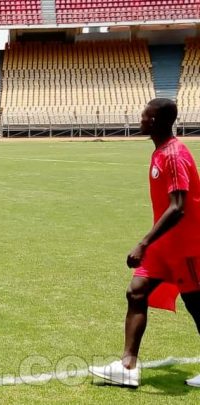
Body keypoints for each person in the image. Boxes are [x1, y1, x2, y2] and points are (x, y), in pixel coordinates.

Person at [89, 98, 200, 388]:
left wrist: (143, 243)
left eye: (145, 116)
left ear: (159, 121)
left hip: (187, 245)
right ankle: (127, 366)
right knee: (136, 292)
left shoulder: (175, 155)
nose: (140, 119)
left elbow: (178, 207)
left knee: (198, 304)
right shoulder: (161, 152)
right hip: (165, 244)